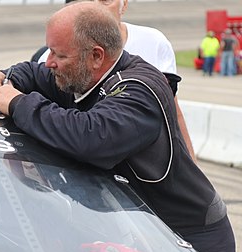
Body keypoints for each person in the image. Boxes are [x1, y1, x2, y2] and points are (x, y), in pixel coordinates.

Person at [0, 2, 236, 252]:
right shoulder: (79, 74)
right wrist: (6, 76)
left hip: (188, 237)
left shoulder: (139, 89)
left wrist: (17, 103)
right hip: (139, 230)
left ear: (96, 56)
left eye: (59, 55)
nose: (50, 62)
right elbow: (36, 73)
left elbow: (90, 138)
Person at [35, 0, 196, 163]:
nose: (96, 6)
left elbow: (173, 112)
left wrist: (192, 165)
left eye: (106, 0)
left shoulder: (153, 42)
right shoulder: (49, 58)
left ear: (124, 4)